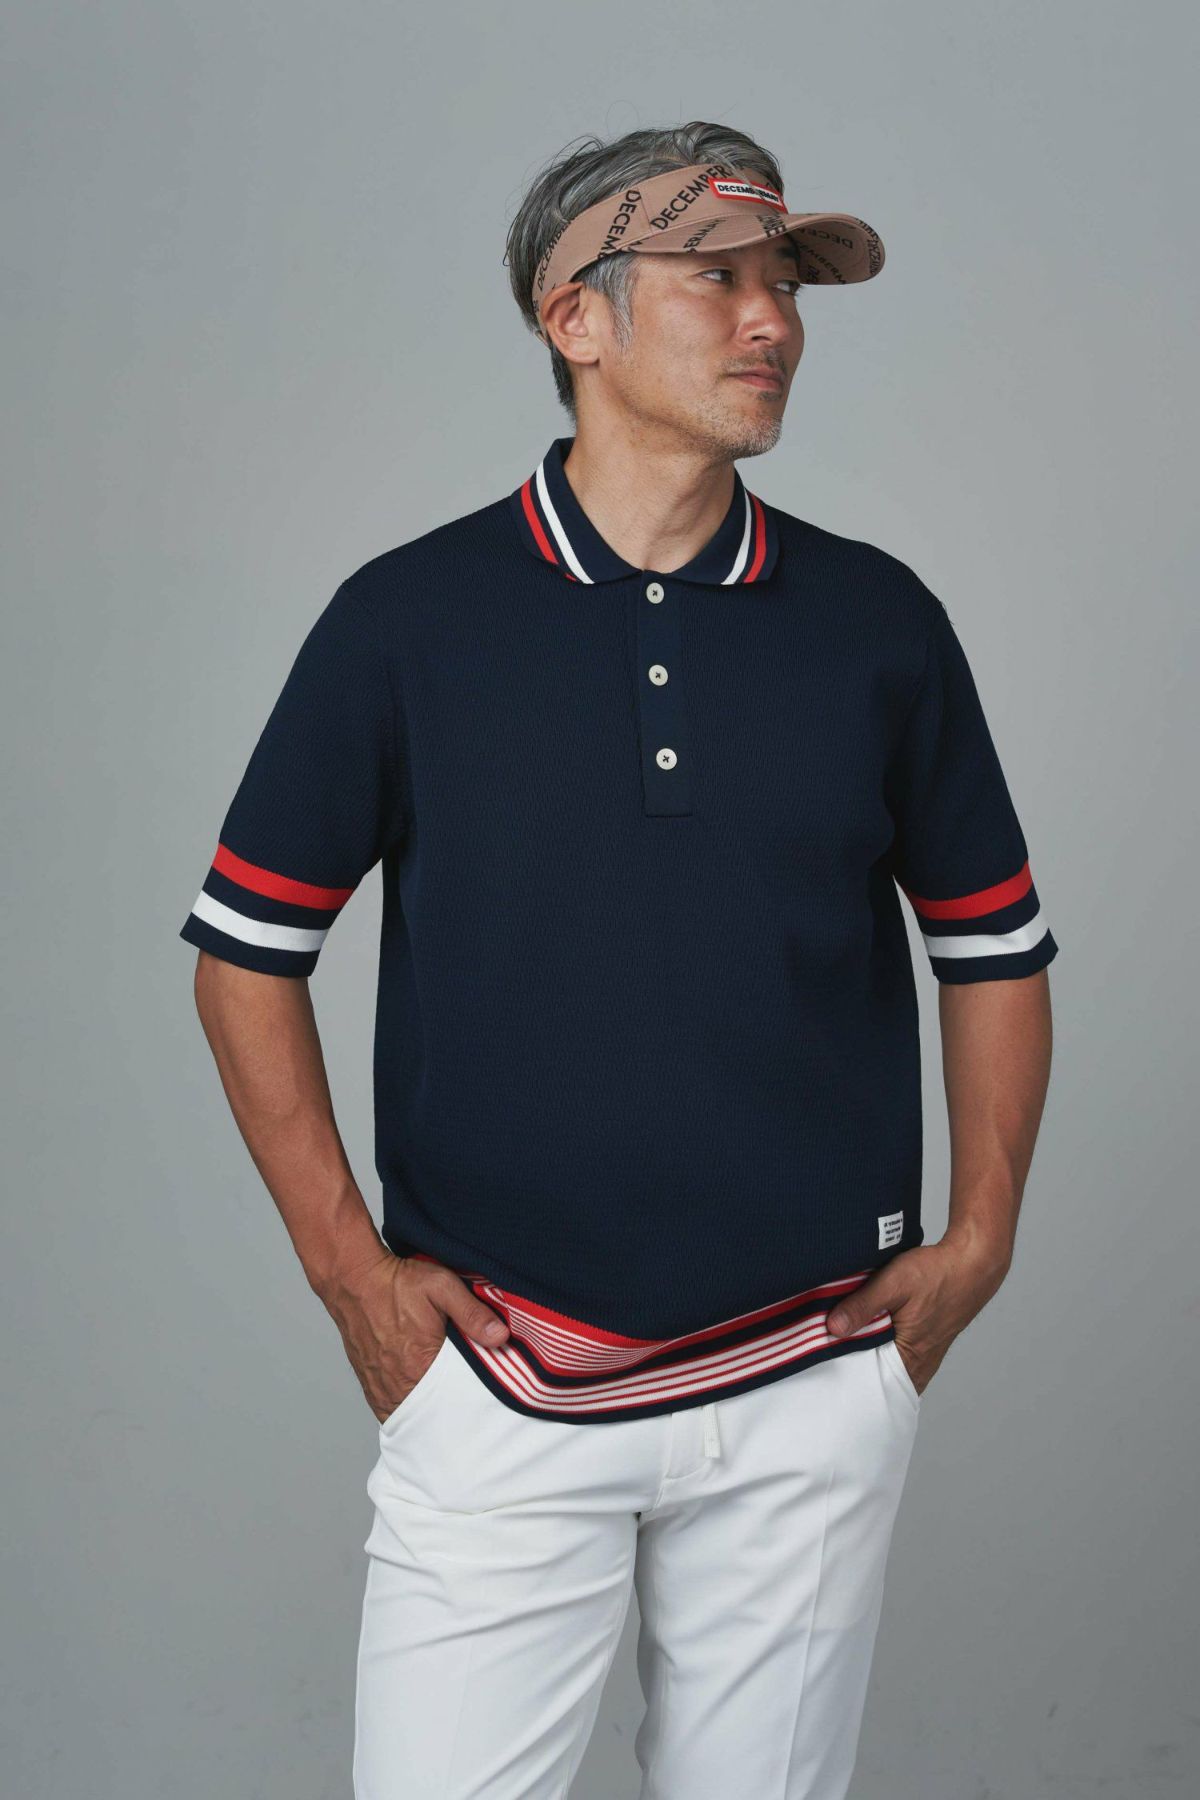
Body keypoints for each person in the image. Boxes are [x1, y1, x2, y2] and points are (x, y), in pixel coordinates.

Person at [179, 122, 1057, 1800]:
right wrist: (353, 1279)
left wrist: (984, 1238)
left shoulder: (880, 623)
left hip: (811, 1382)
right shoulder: (407, 620)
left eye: (785, 283)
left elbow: (994, 947)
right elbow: (245, 955)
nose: (773, 319)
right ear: (574, 318)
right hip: (500, 1378)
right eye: (717, 280)